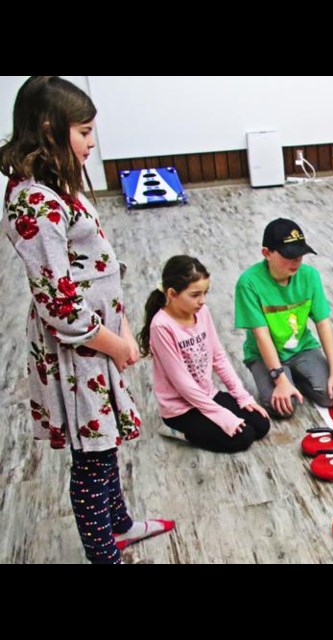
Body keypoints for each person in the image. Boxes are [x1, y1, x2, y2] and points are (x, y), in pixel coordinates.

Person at [1, 76, 173, 563]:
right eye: (83, 132)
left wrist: (118, 325)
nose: (92, 143)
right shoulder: (33, 200)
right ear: (50, 128)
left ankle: (118, 524)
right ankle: (105, 554)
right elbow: (58, 302)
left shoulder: (55, 184)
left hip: (96, 340)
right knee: (92, 460)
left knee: (105, 443)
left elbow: (91, 265)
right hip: (79, 351)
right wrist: (115, 343)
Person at [139, 255, 271, 452]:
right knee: (244, 437)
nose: (202, 301)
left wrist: (242, 396)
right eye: (195, 295)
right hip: (181, 409)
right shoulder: (161, 326)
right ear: (172, 294)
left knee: (261, 424)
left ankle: (216, 419)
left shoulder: (203, 312)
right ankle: (176, 431)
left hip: (208, 396)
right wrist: (222, 416)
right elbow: (182, 384)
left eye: (205, 293)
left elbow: (218, 357)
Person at [235, 218, 333, 418]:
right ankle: (285, 375)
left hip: (301, 347)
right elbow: (261, 336)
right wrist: (280, 380)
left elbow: (323, 323)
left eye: (300, 255)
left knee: (331, 396)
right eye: (289, 255)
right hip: (264, 354)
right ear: (267, 253)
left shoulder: (310, 276)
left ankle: (296, 375)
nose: (296, 261)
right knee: (282, 408)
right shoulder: (248, 283)